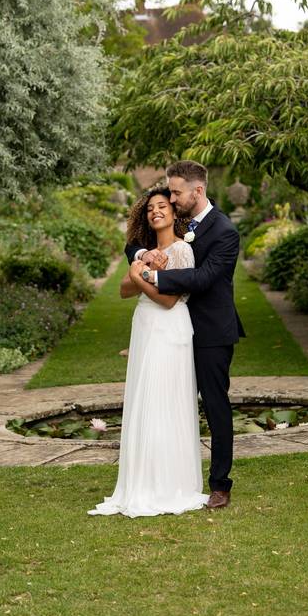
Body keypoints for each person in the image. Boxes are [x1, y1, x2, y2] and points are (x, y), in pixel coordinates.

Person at [126, 161, 245, 510]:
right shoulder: (179, 220)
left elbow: (203, 278)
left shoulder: (224, 231)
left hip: (210, 332)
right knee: (168, 403)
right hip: (172, 331)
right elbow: (134, 241)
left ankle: (220, 484)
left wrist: (151, 278)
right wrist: (142, 254)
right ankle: (166, 478)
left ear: (198, 191)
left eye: (176, 192)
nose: (171, 198)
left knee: (215, 405)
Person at [89, 185, 209, 517]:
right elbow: (124, 291)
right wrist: (143, 267)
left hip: (170, 328)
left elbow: (169, 299)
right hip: (144, 325)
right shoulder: (144, 251)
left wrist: (138, 273)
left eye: (162, 206)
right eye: (149, 208)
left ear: (174, 213)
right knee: (144, 398)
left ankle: (169, 484)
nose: (155, 211)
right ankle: (141, 482)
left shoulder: (183, 252)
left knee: (165, 400)